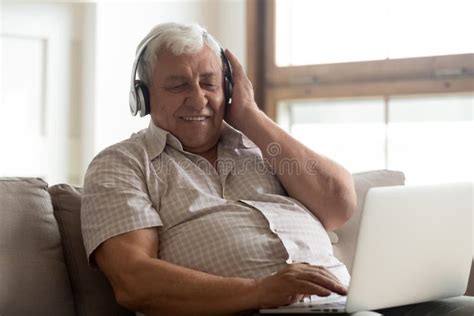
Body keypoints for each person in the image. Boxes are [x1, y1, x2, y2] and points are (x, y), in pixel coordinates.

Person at [81, 22, 473, 316]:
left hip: (347, 305)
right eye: (178, 85)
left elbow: (338, 205)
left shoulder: (262, 146)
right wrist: (260, 290)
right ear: (143, 96)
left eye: (209, 82)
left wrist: (250, 114)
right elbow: (133, 281)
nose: (198, 98)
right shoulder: (123, 164)